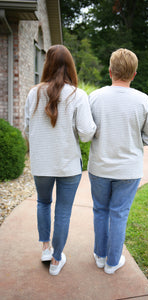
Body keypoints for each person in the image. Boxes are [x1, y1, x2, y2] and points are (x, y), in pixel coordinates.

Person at [88, 48, 148, 274]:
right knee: (119, 213)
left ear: (110, 71)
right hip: (129, 170)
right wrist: (137, 141)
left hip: (99, 166)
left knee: (100, 210)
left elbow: (85, 130)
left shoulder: (95, 97)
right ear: (134, 74)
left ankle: (100, 256)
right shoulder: (143, 100)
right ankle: (112, 262)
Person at [24, 45, 96, 276]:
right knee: (63, 212)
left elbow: (27, 130)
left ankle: (46, 249)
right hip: (68, 165)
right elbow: (86, 134)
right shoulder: (78, 95)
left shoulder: (33, 93)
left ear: (46, 64)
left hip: (41, 164)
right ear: (70, 66)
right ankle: (56, 261)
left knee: (43, 203)